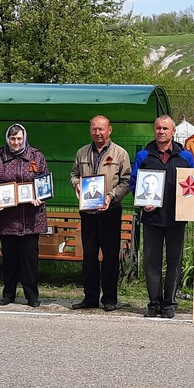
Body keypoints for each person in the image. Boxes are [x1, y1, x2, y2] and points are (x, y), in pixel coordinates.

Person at [132, 116, 194, 318]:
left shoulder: (186, 156)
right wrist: (143, 202)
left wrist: (187, 206)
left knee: (174, 261)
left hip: (177, 217)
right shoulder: (144, 155)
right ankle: (154, 303)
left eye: (165, 128)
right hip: (151, 218)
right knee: (152, 261)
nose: (161, 131)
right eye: (158, 128)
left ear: (173, 131)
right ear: (154, 130)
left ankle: (170, 303)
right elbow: (134, 184)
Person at [69, 115, 131, 311]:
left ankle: (110, 299)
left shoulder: (120, 154)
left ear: (109, 130)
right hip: (88, 212)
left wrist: (111, 196)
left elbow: (127, 181)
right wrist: (77, 185)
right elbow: (74, 174)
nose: (97, 133)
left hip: (110, 212)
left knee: (111, 256)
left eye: (101, 129)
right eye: (94, 129)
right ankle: (90, 298)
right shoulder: (82, 153)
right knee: (89, 255)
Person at [0, 124, 48, 307]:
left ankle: (32, 296)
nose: (16, 142)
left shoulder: (37, 156)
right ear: (7, 139)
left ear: (24, 138)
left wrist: (40, 197)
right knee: (10, 258)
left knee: (29, 259)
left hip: (31, 218)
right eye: (13, 139)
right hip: (7, 219)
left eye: (19, 139)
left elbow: (45, 182)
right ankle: (8, 294)